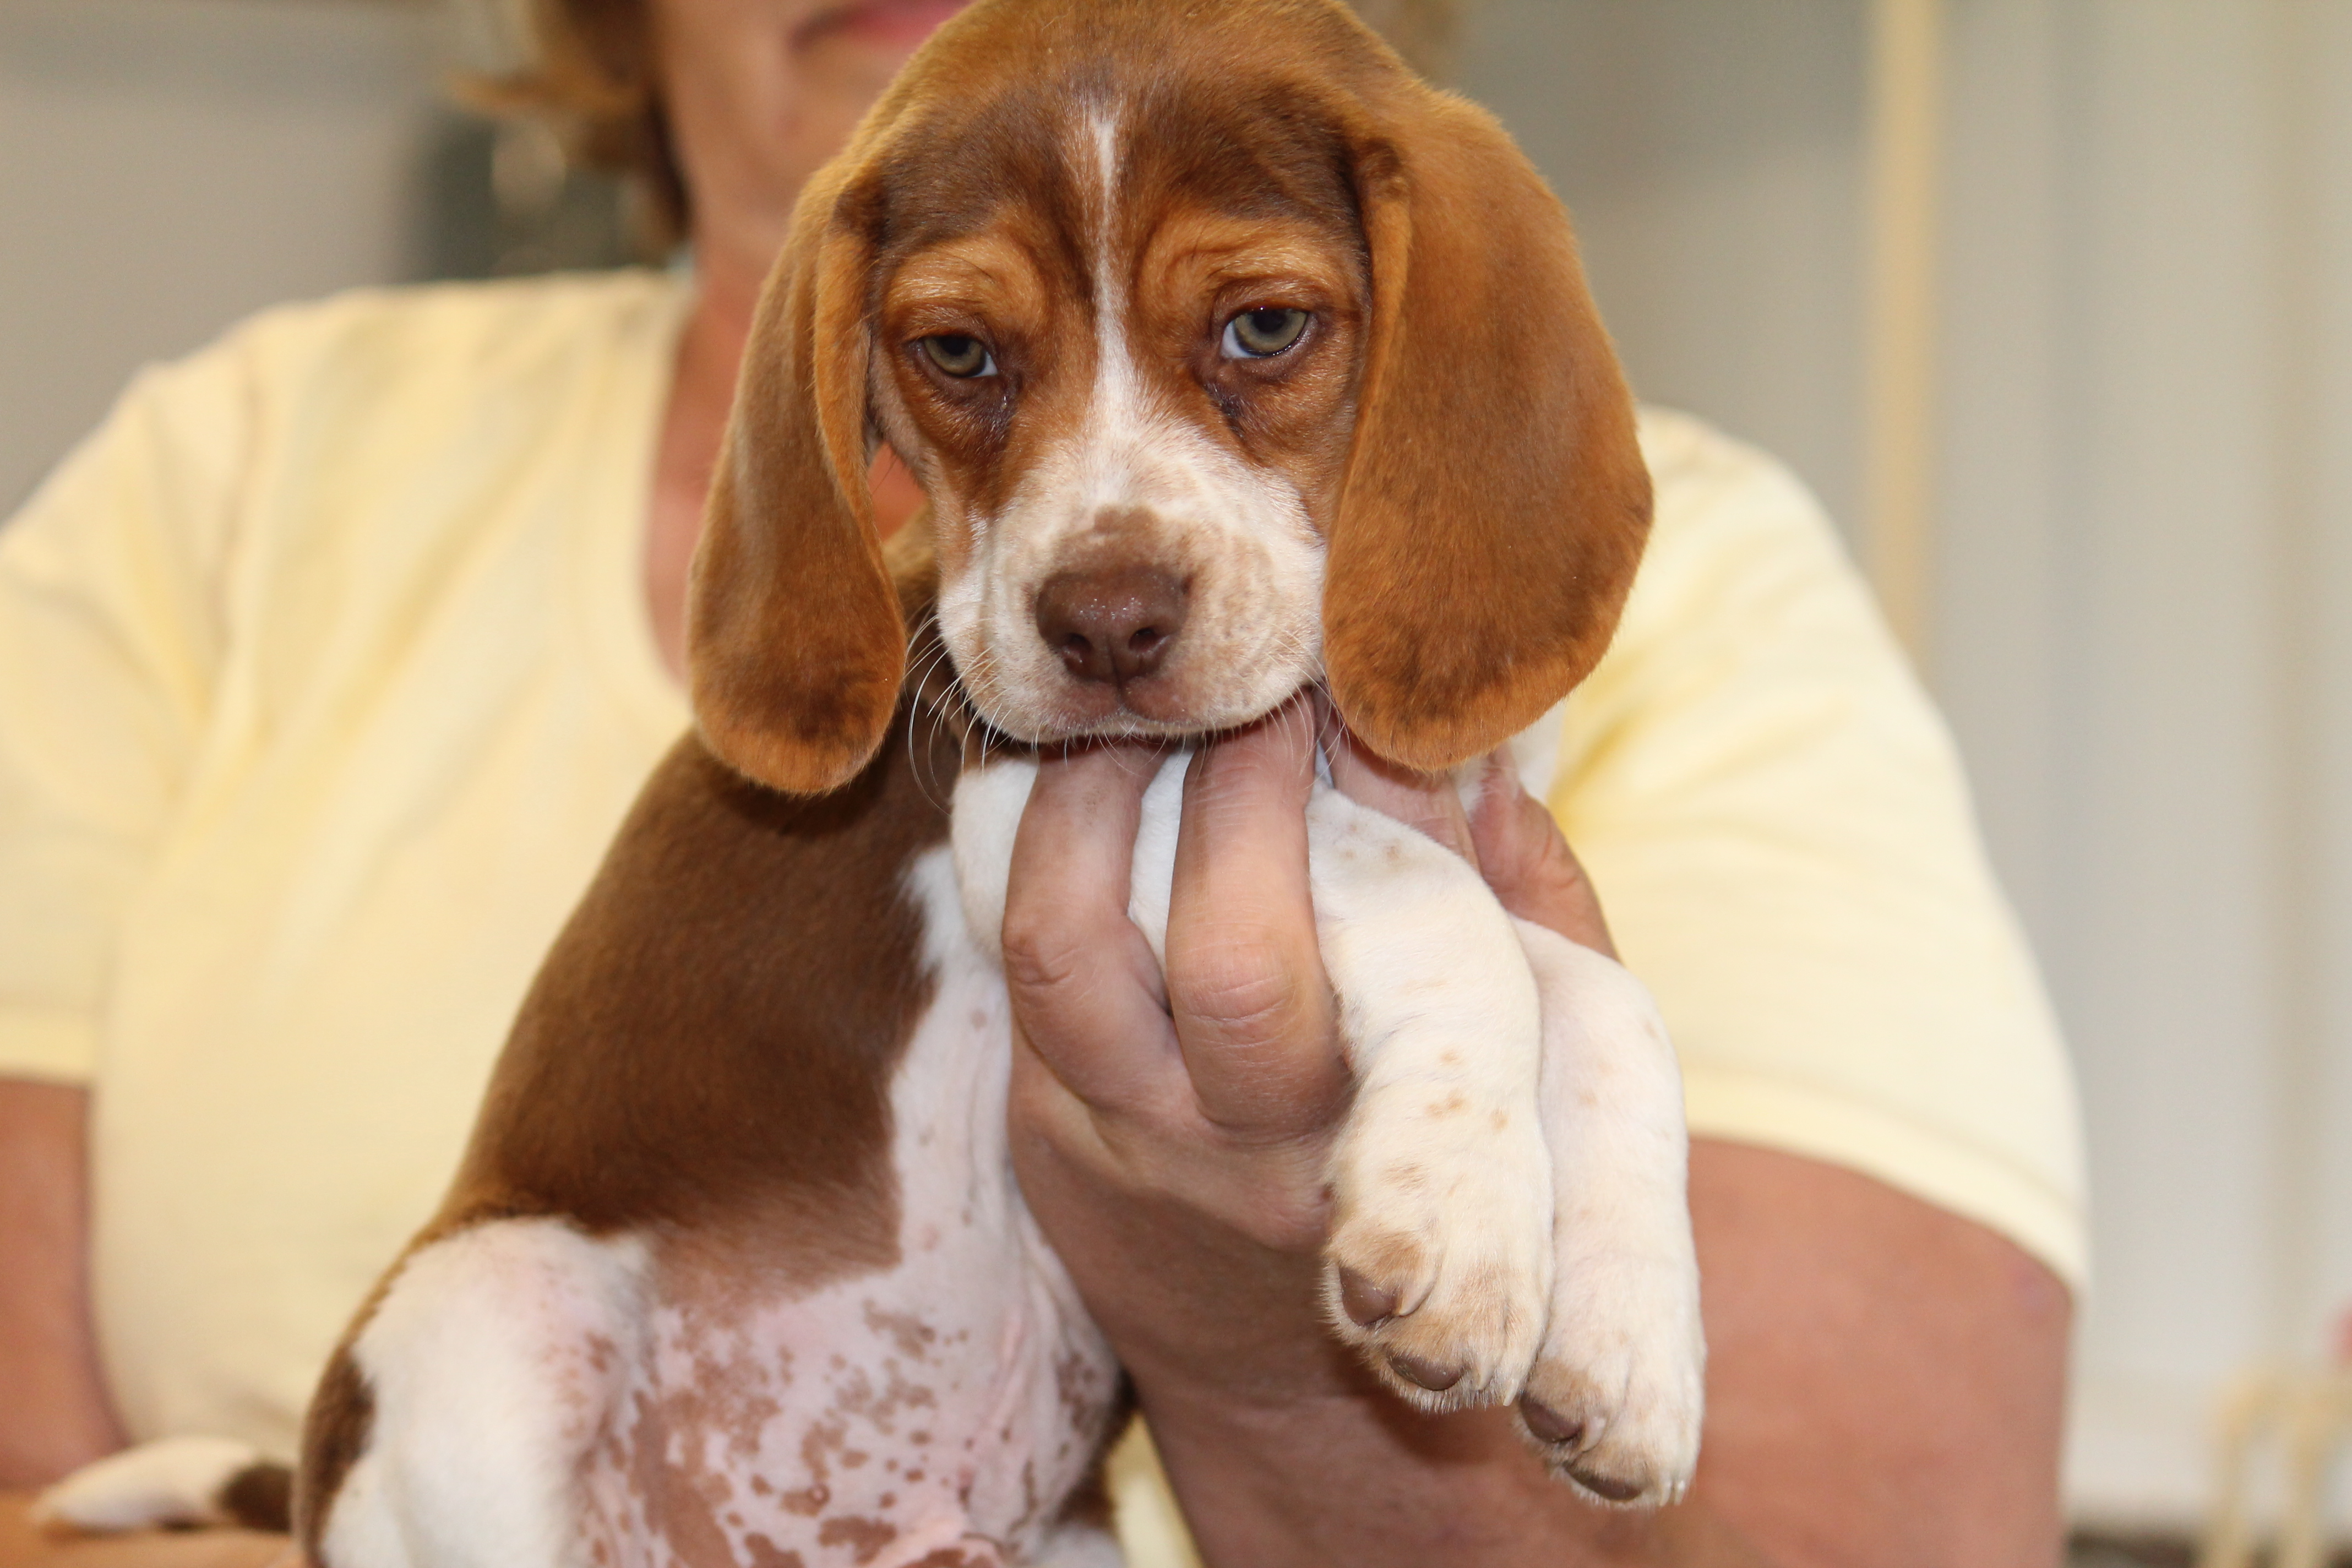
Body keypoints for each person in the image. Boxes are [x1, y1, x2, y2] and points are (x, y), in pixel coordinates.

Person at [0, 0, 2083, 1563]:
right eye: (968, 358)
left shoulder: (1711, 598)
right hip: (556, 1437)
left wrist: (1297, 1333)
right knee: (483, 1343)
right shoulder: (227, 482)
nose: (1103, 554)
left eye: (1257, 332)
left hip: (996, 1508)